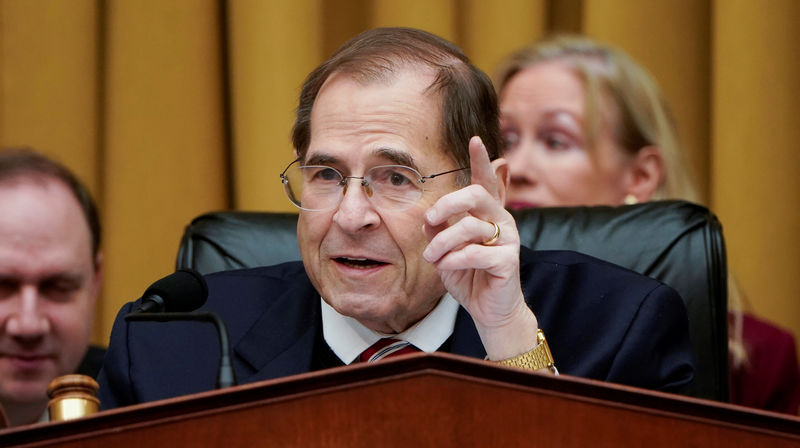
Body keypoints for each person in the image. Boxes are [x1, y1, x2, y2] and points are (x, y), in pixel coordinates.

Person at [97, 27, 694, 409]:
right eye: (326, 175)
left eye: (395, 178)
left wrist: (509, 340)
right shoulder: (170, 349)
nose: (351, 216)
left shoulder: (620, 331)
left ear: (486, 190)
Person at [494, 34, 800, 414]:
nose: (516, 169)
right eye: (504, 140)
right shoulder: (441, 313)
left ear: (640, 175)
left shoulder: (756, 358)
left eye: (556, 141)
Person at [0, 148, 104, 426]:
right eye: (2, 287)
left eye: (57, 287)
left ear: (95, 282)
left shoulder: (149, 406)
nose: (28, 325)